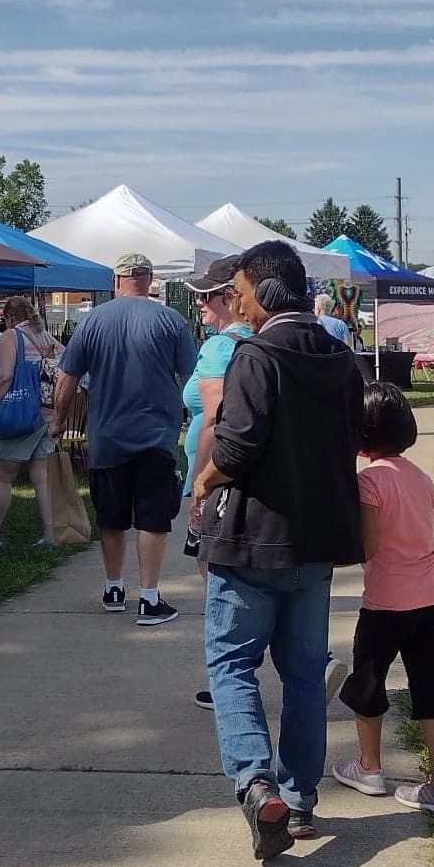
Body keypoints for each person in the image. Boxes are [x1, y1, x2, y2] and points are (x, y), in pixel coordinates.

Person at [192, 240, 362, 859]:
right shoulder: (342, 359)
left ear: (265, 294)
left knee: (232, 665)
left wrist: (203, 481)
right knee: (303, 676)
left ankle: (255, 780)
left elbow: (236, 450)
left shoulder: (255, 356)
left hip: (251, 543)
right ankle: (299, 803)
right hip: (316, 546)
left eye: (238, 293)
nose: (237, 305)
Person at [332, 383, 434, 816]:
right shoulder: (420, 478)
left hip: (386, 601)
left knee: (369, 681)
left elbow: (367, 547)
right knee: (433, 691)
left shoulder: (369, 481)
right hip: (433, 599)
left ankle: (369, 767)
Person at [51, 252, 197, 625]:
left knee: (111, 517)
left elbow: (67, 378)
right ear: (149, 280)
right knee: (153, 518)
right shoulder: (171, 319)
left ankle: (114, 588)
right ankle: (149, 598)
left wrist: (59, 421)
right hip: (156, 437)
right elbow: (190, 375)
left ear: (116, 281)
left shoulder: (92, 321)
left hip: (106, 436)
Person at [179, 256, 250, 709]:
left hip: (219, 479)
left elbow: (215, 422)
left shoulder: (220, 348)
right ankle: (310, 657)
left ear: (230, 297)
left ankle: (228, 681)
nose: (200, 304)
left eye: (206, 296)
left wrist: (201, 486)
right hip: (254, 478)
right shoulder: (262, 339)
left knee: (220, 581)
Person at [0, 294, 62, 550]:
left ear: (9, 318)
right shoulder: (42, 334)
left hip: (21, 413)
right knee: (40, 476)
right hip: (45, 414)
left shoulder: (12, 336)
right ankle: (49, 535)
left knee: (2, 476)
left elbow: (4, 376)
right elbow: (64, 359)